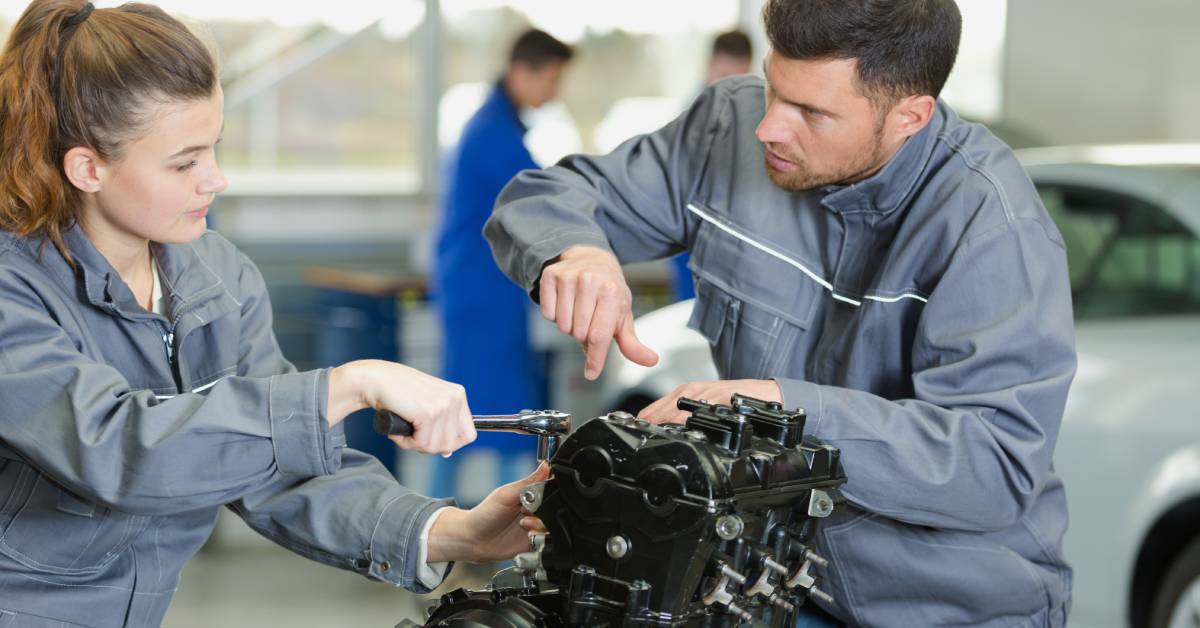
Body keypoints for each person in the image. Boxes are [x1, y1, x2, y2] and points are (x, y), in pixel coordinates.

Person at [484, 0, 1076, 626]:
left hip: (946, 606)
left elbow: (993, 466)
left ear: (910, 115)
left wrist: (783, 410)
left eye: (812, 112)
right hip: (775, 587)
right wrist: (575, 250)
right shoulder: (726, 127)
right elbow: (542, 196)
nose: (768, 127)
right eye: (773, 87)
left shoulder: (992, 229)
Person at [0, 2, 544, 625]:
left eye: (215, 149)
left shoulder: (216, 277)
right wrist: (345, 387)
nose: (216, 180)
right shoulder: (13, 288)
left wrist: (453, 532)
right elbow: (122, 449)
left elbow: (275, 465)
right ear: (88, 168)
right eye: (184, 162)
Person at [429, 29, 572, 497]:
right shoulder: (493, 133)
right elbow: (541, 196)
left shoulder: (499, 124)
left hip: (484, 289)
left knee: (488, 408)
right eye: (551, 78)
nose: (554, 91)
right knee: (480, 413)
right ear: (521, 71)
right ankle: (481, 525)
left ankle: (481, 520)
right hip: (479, 292)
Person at [670, 29, 755, 301]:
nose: (729, 89)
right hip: (688, 237)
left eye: (738, 79)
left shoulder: (757, 120)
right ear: (709, 65)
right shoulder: (686, 119)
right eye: (723, 77)